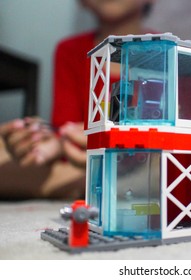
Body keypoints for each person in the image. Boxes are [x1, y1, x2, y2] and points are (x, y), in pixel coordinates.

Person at [0, 0, 156, 199]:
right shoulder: (70, 50)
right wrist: (50, 142)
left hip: (142, 164)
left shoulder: (169, 54)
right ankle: (109, 186)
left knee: (162, 168)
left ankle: (106, 185)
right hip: (79, 163)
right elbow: (63, 128)